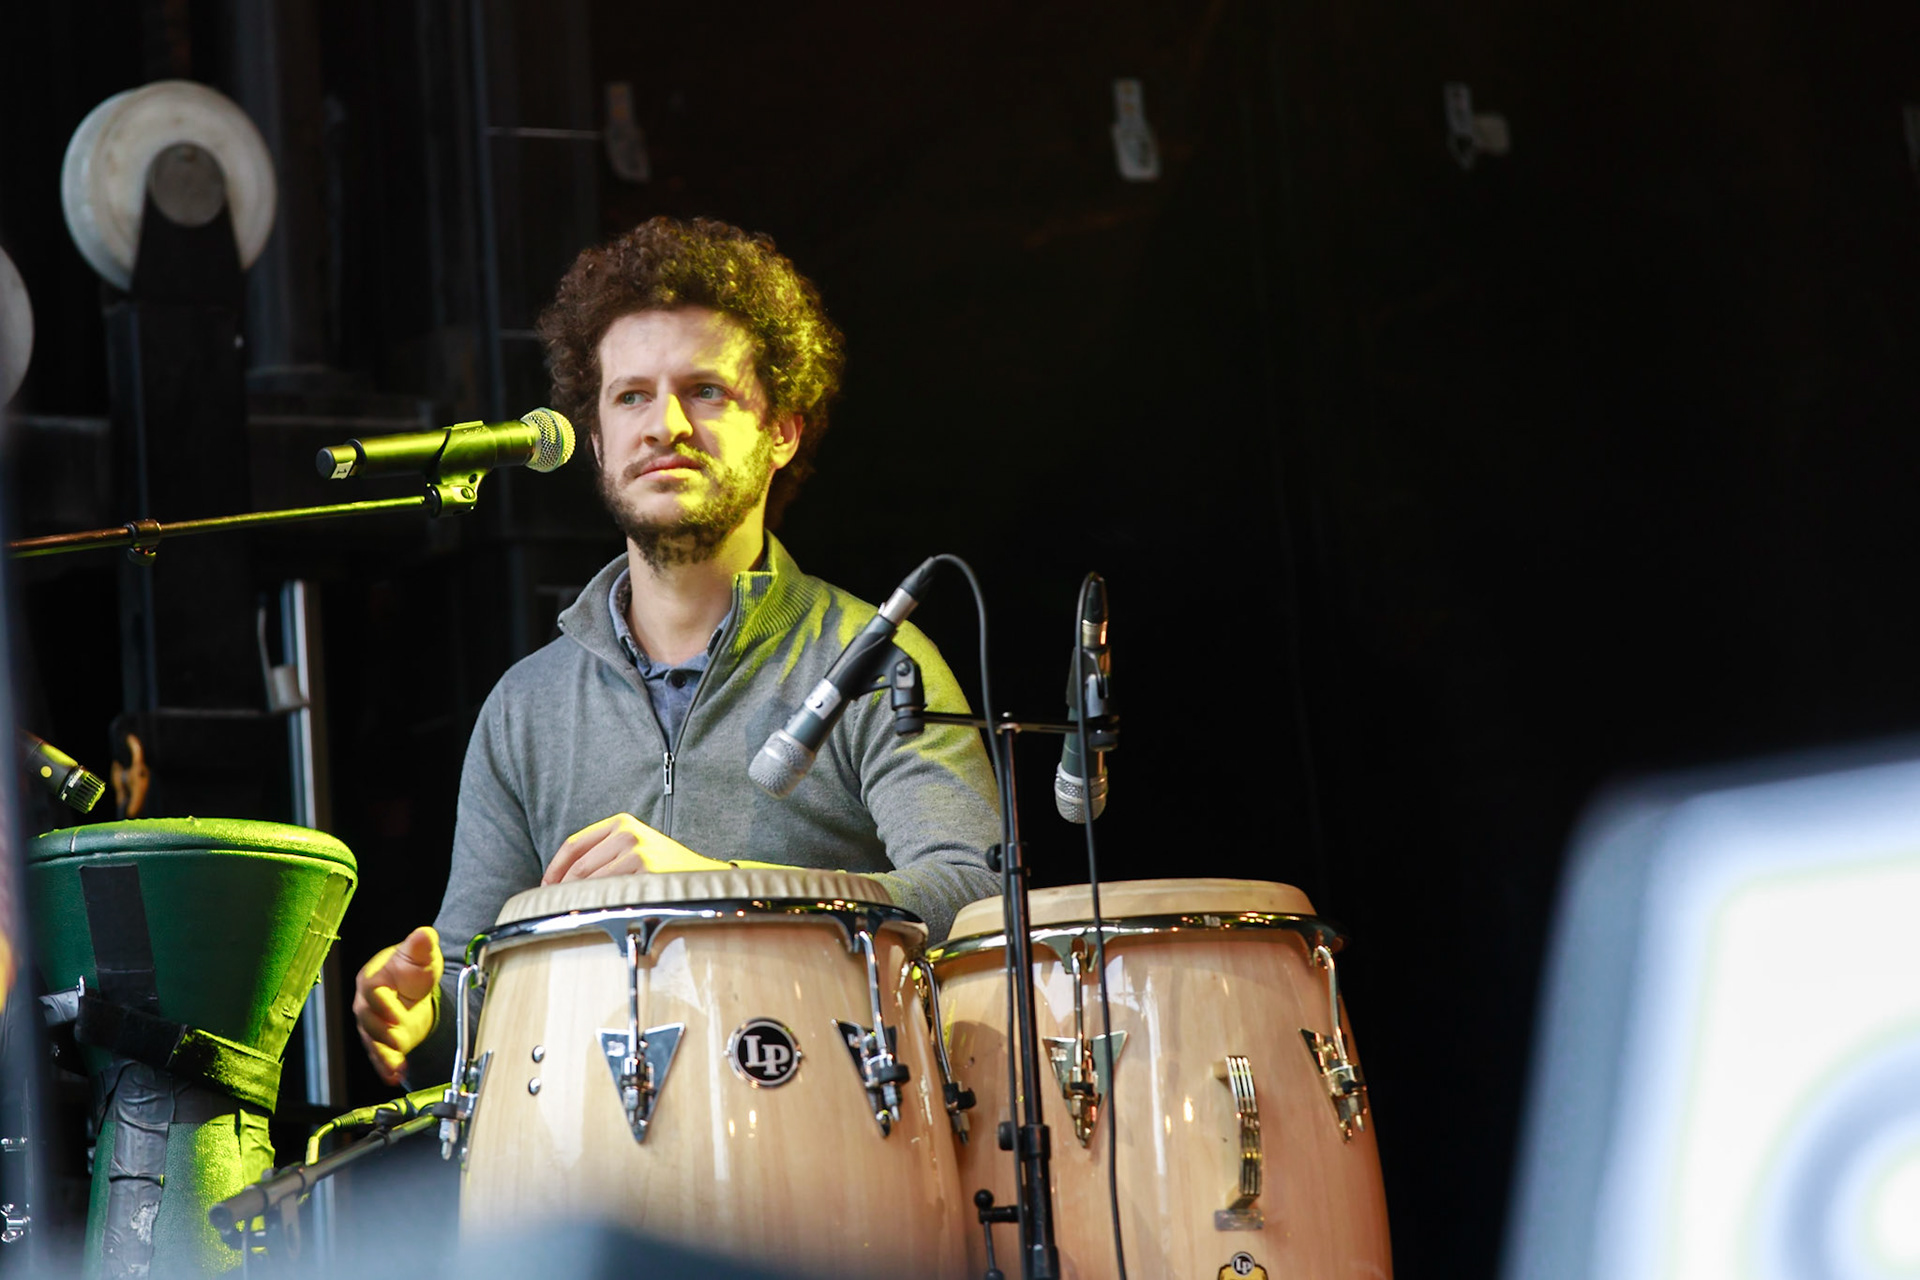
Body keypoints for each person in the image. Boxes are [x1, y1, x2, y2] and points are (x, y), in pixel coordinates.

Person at [352, 217, 1000, 1087]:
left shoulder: (877, 658)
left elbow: (977, 899)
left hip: (828, 1156)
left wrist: (718, 889)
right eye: (630, 397)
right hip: (588, 1173)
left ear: (783, 431)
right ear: (595, 440)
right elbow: (476, 994)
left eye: (706, 392)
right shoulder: (525, 706)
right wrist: (416, 1019)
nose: (664, 425)